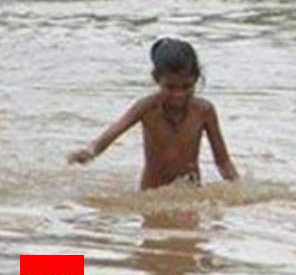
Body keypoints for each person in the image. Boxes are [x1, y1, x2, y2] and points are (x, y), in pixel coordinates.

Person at [67, 38, 241, 191]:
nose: (178, 94)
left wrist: (238, 189)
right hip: (152, 193)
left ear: (196, 79)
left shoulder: (204, 111)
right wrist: (91, 151)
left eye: (186, 87)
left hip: (190, 193)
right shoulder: (147, 108)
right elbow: (116, 130)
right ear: (156, 79)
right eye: (170, 87)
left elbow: (222, 161)